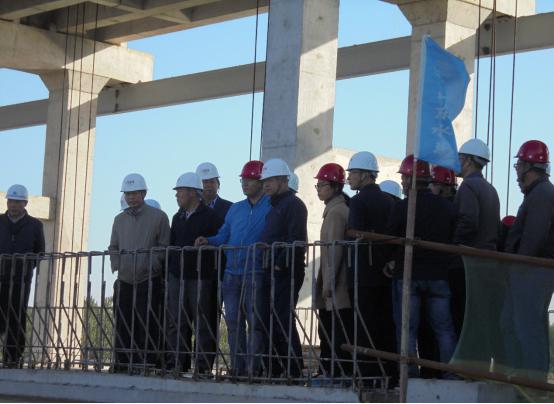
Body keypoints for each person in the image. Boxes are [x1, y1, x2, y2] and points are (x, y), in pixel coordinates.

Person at [196, 160, 271, 377]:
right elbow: (224, 235)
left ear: (261, 182)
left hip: (255, 272)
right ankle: (238, 367)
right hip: (231, 274)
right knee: (233, 323)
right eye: (243, 180)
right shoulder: (235, 209)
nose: (245, 184)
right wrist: (208, 240)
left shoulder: (271, 207)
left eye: (250, 180)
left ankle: (254, 368)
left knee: (255, 322)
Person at [386, 155, 458, 378]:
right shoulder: (446, 207)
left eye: (404, 178)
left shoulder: (403, 207)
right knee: (444, 329)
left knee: (407, 329)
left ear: (410, 179)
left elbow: (389, 238)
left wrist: (391, 260)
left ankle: (408, 375)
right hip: (439, 276)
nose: (402, 182)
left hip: (409, 276)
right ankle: (450, 374)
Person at [109, 174, 170, 372]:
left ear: (143, 193)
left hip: (148, 279)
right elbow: (113, 246)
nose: (131, 197)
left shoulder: (159, 217)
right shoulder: (119, 220)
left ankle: (148, 363)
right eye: (128, 194)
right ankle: (122, 362)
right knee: (123, 322)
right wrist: (117, 264)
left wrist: (153, 266)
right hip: (124, 279)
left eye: (135, 193)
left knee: (148, 322)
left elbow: (164, 245)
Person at [503, 140, 554, 380]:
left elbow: (534, 237)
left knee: (527, 327)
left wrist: (518, 266)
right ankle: (525, 378)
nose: (516, 171)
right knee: (513, 324)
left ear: (528, 166)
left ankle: (533, 382)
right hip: (531, 271)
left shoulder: (541, 195)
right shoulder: (539, 193)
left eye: (518, 165)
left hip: (531, 273)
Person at [345, 151, 397, 384]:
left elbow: (354, 233)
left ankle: (367, 376)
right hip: (385, 272)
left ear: (366, 175)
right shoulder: (389, 201)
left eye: (353, 173)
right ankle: (390, 374)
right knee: (385, 325)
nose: (349, 177)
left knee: (364, 326)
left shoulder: (358, 201)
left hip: (363, 272)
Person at [166, 172, 222, 376]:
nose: (177, 195)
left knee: (202, 321)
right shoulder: (177, 218)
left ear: (192, 193)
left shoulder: (211, 217)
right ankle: (177, 362)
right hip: (177, 276)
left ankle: (203, 365)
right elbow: (172, 245)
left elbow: (219, 244)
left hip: (201, 277)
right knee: (176, 321)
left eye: (180, 191)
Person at [260, 158, 307, 378]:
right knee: (270, 319)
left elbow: (296, 239)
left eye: (270, 180)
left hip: (286, 272)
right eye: (265, 181)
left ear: (282, 180)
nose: (266, 184)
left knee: (282, 318)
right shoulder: (274, 206)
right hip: (271, 270)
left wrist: (280, 263)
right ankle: (275, 368)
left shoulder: (294, 205)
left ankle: (293, 369)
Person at [313, 163, 352, 379]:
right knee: (329, 330)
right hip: (334, 282)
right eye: (318, 185)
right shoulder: (334, 210)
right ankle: (330, 370)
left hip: (336, 285)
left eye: (322, 185)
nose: (318, 189)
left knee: (333, 331)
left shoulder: (337, 213)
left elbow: (335, 251)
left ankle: (334, 371)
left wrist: (328, 285)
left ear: (335, 187)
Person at [0, 185, 44, 366]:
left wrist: (27, 267)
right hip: (0, 276)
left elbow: (40, 252)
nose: (13, 205)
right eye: (11, 201)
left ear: (25, 203)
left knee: (17, 314)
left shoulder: (35, 225)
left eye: (17, 202)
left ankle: (13, 356)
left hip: (21, 279)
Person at [454, 139, 500, 249]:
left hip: (469, 254)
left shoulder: (468, 185)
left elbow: (468, 221)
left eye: (460, 158)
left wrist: (455, 243)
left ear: (469, 161)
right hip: (487, 254)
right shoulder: (491, 189)